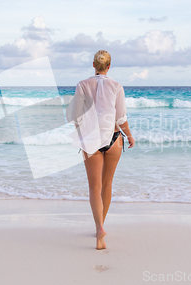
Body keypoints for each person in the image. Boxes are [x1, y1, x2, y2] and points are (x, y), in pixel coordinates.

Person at [73, 50, 135, 250]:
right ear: (109, 66)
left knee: (94, 187)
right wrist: (130, 135)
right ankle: (101, 226)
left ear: (93, 65)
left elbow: (76, 115)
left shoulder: (82, 84)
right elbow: (120, 118)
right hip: (114, 138)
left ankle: (99, 228)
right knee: (107, 184)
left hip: (91, 139)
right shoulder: (116, 86)